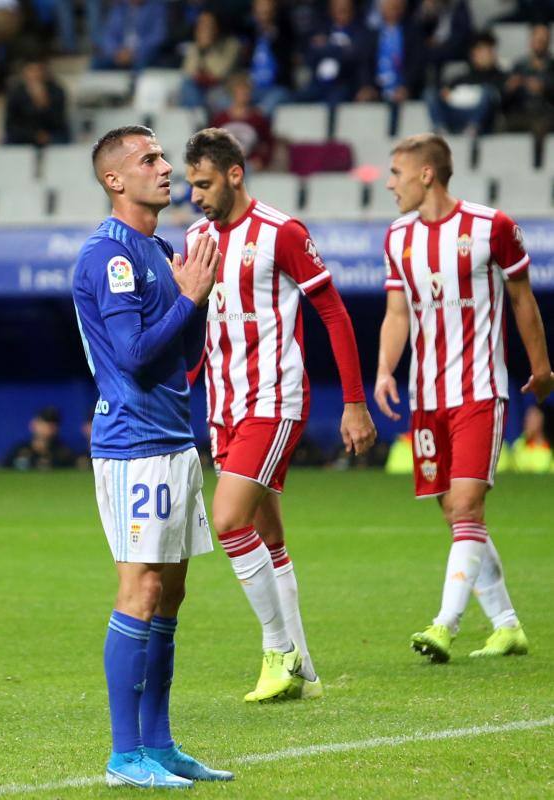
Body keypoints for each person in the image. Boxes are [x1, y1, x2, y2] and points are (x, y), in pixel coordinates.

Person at [183, 127, 377, 702]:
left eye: (204, 184)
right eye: (191, 185)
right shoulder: (196, 237)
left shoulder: (281, 232)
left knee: (227, 521)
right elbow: (198, 332)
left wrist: (354, 401)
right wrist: (176, 387)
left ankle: (279, 650)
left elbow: (335, 315)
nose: (195, 196)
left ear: (235, 174)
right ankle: (306, 674)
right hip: (224, 407)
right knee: (267, 535)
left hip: (273, 400)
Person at [72, 125, 233, 788]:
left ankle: (160, 745)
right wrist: (190, 296)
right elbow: (135, 360)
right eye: (150, 159)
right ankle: (123, 754)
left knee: (170, 591)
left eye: (163, 156)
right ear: (115, 180)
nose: (167, 167)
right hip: (133, 443)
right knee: (139, 587)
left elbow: (178, 354)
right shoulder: (109, 256)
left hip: (172, 438)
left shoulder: (159, 248)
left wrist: (196, 298)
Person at [374, 133, 554, 662]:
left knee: (469, 505)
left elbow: (523, 299)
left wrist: (540, 366)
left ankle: (444, 624)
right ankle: (506, 625)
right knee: (456, 512)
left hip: (480, 389)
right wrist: (385, 369)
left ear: (426, 174)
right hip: (427, 396)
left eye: (396, 173)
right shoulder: (397, 237)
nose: (389, 183)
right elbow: (397, 312)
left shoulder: (490, 227)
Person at [425, 31, 506, 136]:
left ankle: (473, 128)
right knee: (430, 92)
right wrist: (446, 93)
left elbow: (500, 99)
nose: (487, 55)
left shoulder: (501, 76)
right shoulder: (462, 77)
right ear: (473, 54)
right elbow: (446, 92)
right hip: (456, 114)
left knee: (488, 92)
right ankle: (441, 128)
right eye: (481, 51)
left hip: (482, 120)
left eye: (490, 51)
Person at [5, 54, 71, 145]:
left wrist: (44, 104)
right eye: (31, 70)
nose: (35, 75)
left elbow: (59, 121)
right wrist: (33, 136)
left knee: (63, 137)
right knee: (9, 139)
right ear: (24, 73)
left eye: (39, 70)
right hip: (24, 136)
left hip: (51, 134)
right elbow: (11, 125)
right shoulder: (16, 93)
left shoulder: (56, 91)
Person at [3, 405, 75, 470]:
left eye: (53, 424)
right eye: (44, 422)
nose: (48, 427)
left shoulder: (64, 454)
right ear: (33, 424)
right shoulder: (18, 450)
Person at [512, 405, 553, 472]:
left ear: (542, 421)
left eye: (531, 419)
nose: (526, 423)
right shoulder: (518, 446)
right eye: (526, 419)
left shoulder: (550, 451)